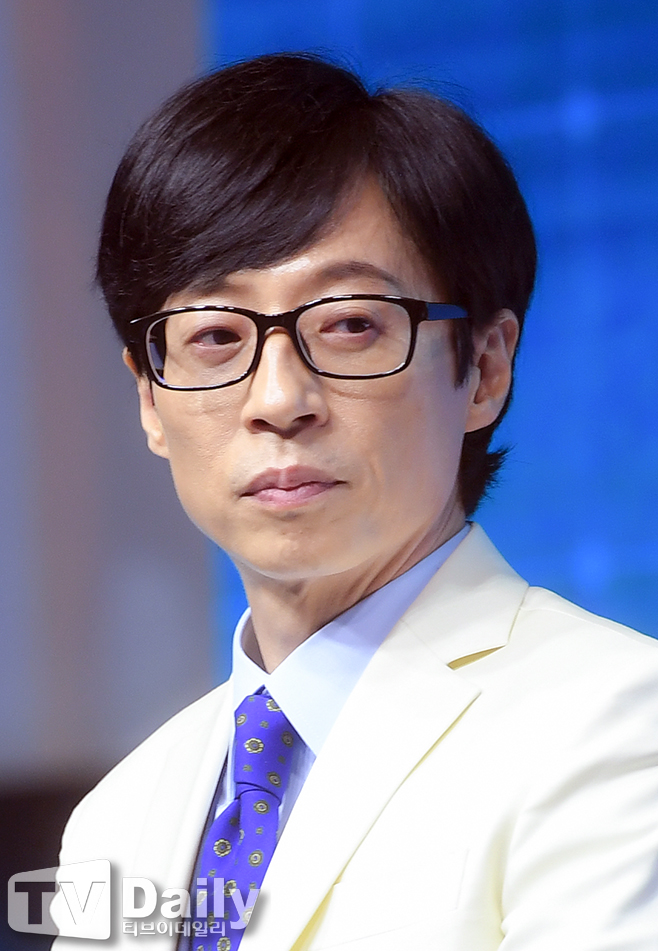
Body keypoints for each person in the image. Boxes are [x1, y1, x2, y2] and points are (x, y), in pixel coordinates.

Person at [52, 53, 658, 950]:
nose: (277, 399)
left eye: (349, 324)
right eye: (215, 336)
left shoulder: (618, 725)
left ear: (485, 370)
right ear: (150, 397)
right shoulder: (120, 816)